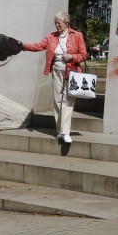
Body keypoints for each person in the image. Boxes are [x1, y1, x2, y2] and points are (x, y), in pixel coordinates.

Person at [19, 12, 87, 144]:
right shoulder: (51, 37)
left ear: (66, 23)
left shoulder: (77, 36)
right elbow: (38, 46)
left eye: (59, 23)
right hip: (56, 72)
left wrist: (72, 57)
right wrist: (22, 45)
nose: (56, 25)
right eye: (55, 23)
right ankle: (60, 131)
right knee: (57, 101)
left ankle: (65, 132)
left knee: (67, 101)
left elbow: (84, 55)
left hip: (72, 72)